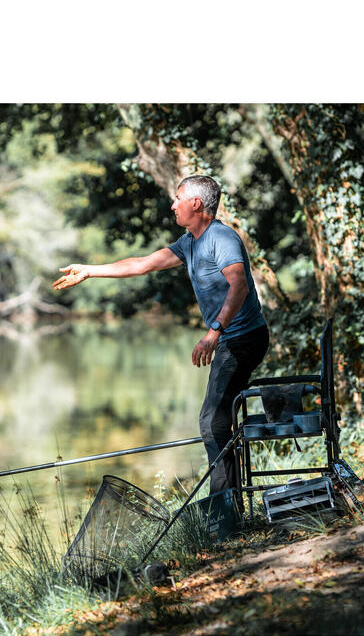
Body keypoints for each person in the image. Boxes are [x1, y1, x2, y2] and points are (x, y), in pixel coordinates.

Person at [53, 174, 270, 500]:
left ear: (196, 203)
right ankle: (230, 501)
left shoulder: (221, 238)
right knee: (217, 420)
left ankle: (225, 506)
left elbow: (238, 284)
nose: (173, 205)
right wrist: (90, 270)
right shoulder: (191, 242)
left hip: (243, 338)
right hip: (231, 338)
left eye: (178, 198)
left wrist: (214, 333)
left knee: (212, 422)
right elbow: (141, 264)